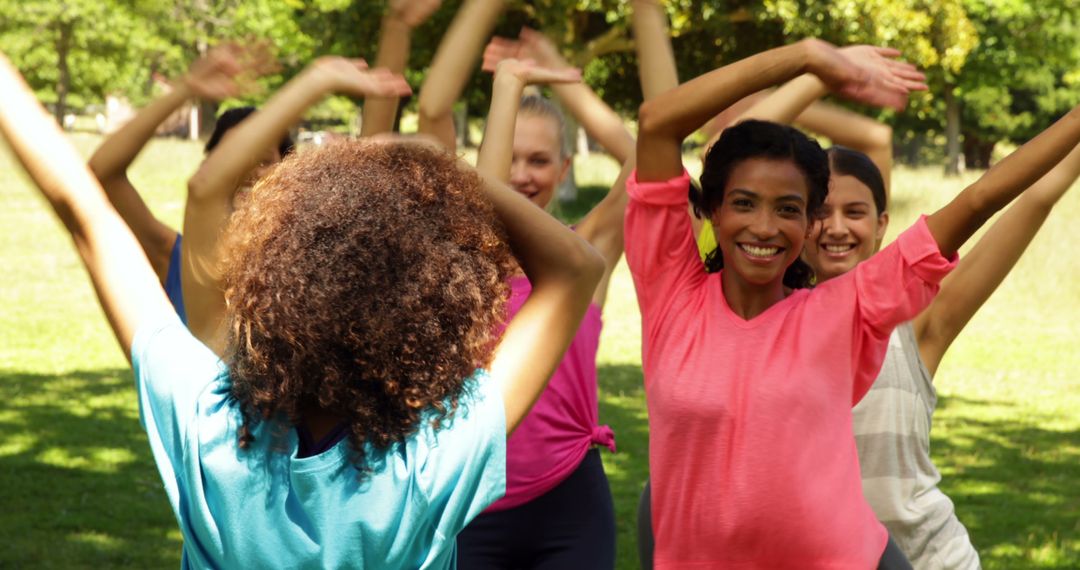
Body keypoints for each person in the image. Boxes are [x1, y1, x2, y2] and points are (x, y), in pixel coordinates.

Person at [0, 50, 606, 568]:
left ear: (269, 290)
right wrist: (443, 171)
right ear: (425, 328)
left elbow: (86, 211)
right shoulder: (431, 463)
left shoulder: (208, 427)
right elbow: (573, 269)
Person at [628, 31, 1080, 568]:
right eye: (744, 203)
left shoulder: (845, 310)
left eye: (789, 209)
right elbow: (657, 122)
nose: (765, 226)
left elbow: (980, 198)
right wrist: (805, 56)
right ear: (715, 212)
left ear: (809, 222)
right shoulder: (671, 291)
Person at [86, 44, 276, 323]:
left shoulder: (314, 273)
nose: (246, 171)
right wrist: (185, 89)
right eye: (230, 159)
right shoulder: (180, 265)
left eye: (262, 161)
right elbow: (103, 175)